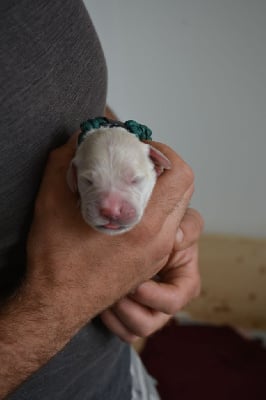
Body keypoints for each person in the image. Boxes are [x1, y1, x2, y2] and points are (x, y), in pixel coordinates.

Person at [0, 1, 203, 399]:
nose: (112, 208)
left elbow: (70, 107)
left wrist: (163, 231)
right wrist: (61, 302)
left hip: (119, 378)